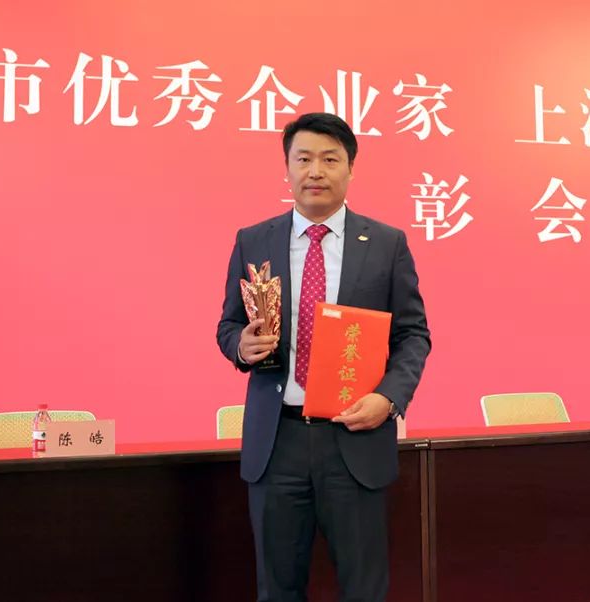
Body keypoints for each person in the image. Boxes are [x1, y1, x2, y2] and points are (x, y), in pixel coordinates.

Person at [216, 112, 431, 601]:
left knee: (363, 588)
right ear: (287, 168)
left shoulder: (386, 244)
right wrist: (240, 346)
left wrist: (388, 399)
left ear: (350, 168)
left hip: (354, 437)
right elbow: (228, 325)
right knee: (278, 588)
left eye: (330, 159)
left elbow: (413, 334)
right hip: (278, 440)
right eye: (304, 159)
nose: (316, 171)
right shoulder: (254, 240)